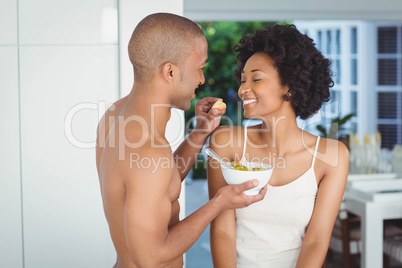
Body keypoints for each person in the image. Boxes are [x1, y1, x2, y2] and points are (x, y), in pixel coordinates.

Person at [96, 13, 267, 268]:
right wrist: (219, 202)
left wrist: (199, 134)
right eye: (199, 68)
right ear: (170, 71)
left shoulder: (113, 116)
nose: (201, 79)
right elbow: (151, 257)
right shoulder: (147, 152)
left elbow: (158, 182)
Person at [208, 24, 349, 268]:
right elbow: (222, 230)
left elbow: (316, 240)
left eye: (256, 78)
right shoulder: (225, 143)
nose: (243, 89)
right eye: (243, 80)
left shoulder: (331, 156)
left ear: (290, 85)